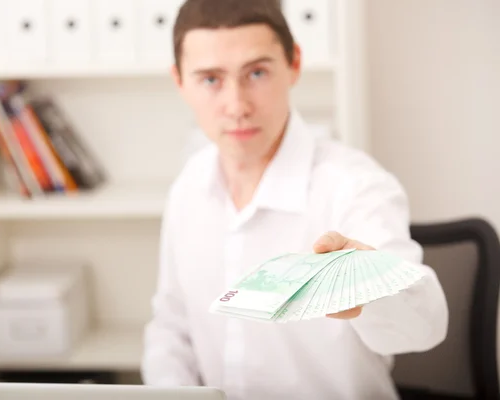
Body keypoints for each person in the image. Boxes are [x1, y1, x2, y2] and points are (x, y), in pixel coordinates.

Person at [141, 0, 449, 399]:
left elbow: (424, 327)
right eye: (211, 79)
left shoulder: (356, 186)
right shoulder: (188, 187)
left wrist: (368, 283)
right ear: (179, 80)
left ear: (294, 64)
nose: (236, 106)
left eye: (256, 72)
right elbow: (171, 326)